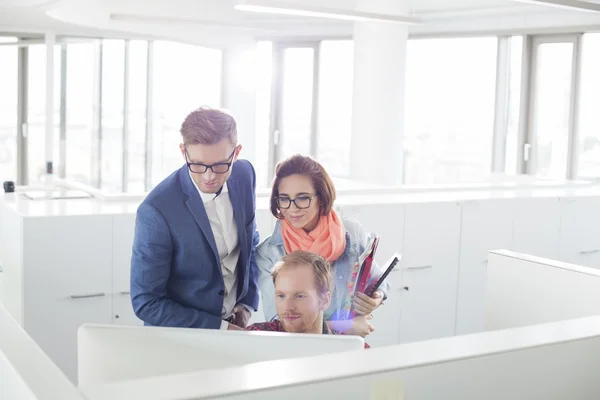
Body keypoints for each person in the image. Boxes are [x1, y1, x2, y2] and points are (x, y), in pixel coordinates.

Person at [130, 106, 259, 330]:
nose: (209, 177)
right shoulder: (156, 210)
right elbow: (146, 303)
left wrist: (247, 303)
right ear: (183, 152)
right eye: (197, 165)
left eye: (220, 165)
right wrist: (220, 328)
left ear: (236, 153)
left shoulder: (244, 175)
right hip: (181, 339)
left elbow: (251, 242)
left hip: (236, 328)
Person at [256, 155, 390, 337]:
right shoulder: (268, 254)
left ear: (321, 197)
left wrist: (376, 297)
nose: (293, 208)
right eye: (284, 199)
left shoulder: (351, 232)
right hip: (299, 351)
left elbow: (378, 277)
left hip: (348, 348)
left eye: (303, 198)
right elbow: (281, 325)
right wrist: (343, 326)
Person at [246, 251, 369, 348]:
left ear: (324, 301)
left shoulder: (353, 350)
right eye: (281, 296)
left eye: (299, 296)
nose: (287, 307)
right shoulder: (254, 338)